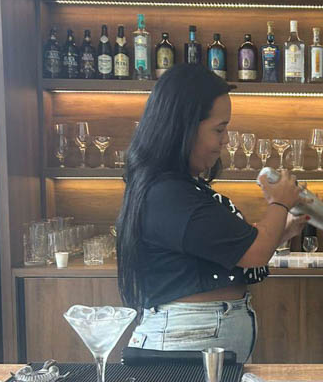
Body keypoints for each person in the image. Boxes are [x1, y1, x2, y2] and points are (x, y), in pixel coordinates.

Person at [117, 64, 305, 362]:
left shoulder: (174, 189)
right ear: (184, 128)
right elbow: (254, 252)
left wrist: (284, 229)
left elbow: (230, 252)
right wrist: (279, 203)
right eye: (219, 129)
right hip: (188, 337)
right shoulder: (168, 194)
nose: (226, 140)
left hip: (195, 335)